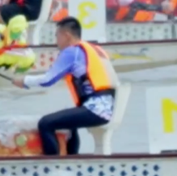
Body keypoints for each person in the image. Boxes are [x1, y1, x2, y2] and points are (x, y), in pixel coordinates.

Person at [20, 18, 116, 156]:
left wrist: (24, 81)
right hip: (106, 107)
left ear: (66, 35)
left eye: (57, 36)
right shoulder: (95, 49)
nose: (56, 41)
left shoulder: (72, 52)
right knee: (69, 124)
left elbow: (47, 80)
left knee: (45, 123)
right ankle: (71, 158)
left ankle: (52, 164)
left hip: (95, 109)